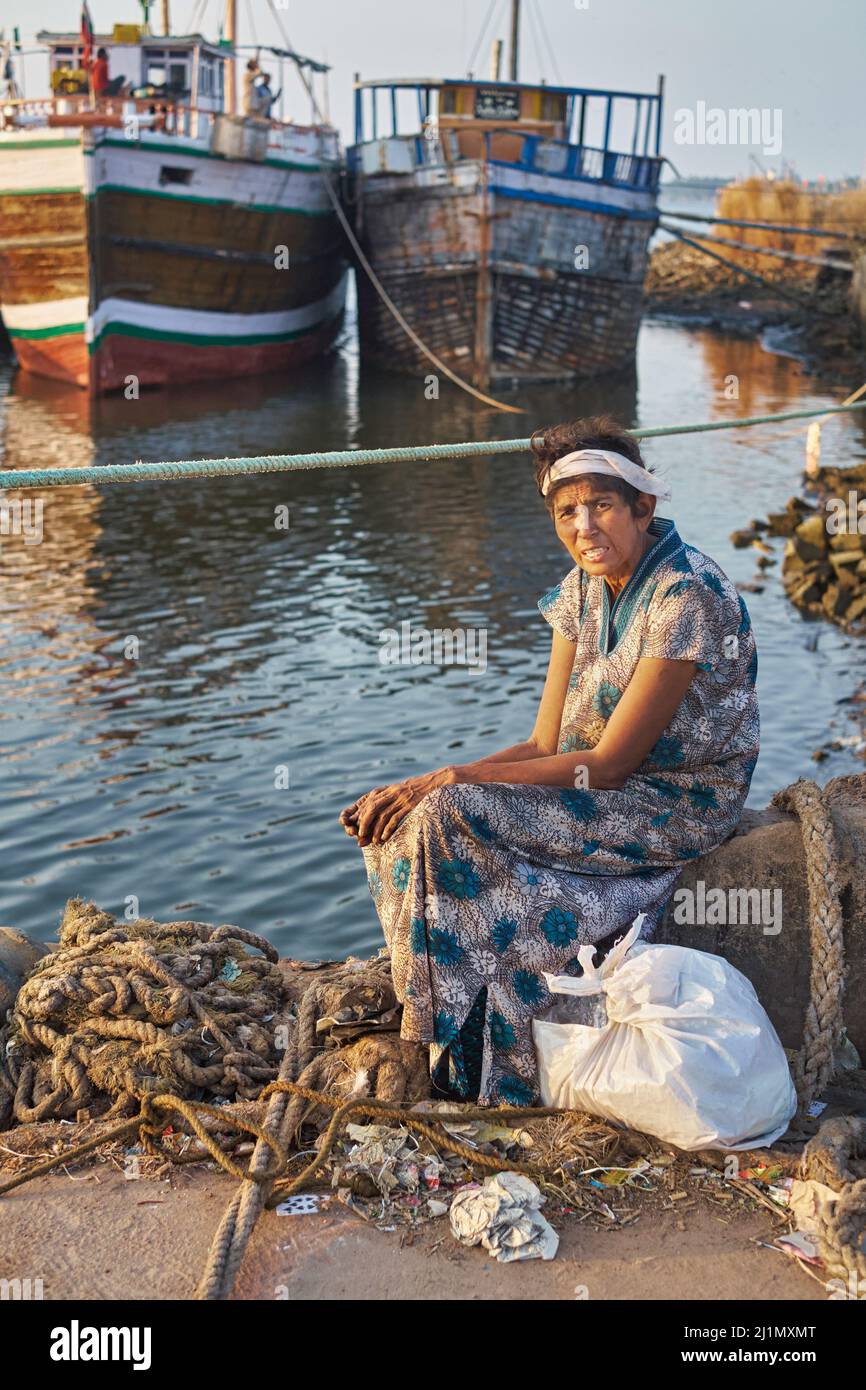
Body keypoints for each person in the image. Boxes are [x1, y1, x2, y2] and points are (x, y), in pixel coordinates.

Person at [340, 415, 760, 1106]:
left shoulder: (685, 595)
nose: (583, 526)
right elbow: (545, 745)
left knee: (451, 807)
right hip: (595, 780)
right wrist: (421, 783)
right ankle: (440, 1022)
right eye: (567, 511)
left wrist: (452, 780)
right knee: (403, 820)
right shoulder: (581, 588)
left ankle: (488, 1064)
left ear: (643, 507)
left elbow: (614, 762)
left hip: (675, 801)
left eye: (600, 505)